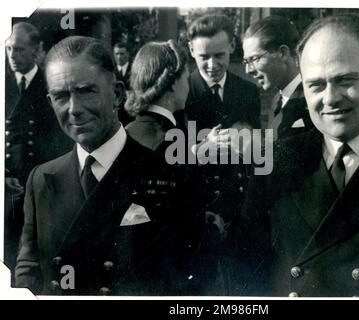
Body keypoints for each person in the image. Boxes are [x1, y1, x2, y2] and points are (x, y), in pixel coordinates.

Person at [239, 14, 359, 297]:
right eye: (316, 85)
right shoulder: (275, 161)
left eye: (345, 80)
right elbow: (245, 269)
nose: (330, 99)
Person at [15, 36, 210, 296]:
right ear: (50, 102)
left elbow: (190, 286)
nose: (74, 109)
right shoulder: (41, 180)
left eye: (86, 91)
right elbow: (28, 273)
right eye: (61, 96)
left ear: (117, 93)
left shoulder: (174, 177)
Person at [183, 14, 263, 295]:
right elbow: (166, 159)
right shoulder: (182, 92)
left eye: (220, 55)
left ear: (232, 46)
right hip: (195, 210)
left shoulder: (249, 92)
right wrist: (201, 149)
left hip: (238, 209)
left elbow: (258, 153)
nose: (212, 65)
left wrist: (249, 144)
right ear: (191, 50)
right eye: (204, 56)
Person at [4, 22, 72, 275]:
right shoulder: (3, 82)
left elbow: (61, 139)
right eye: (8, 49)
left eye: (19, 50)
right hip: (8, 189)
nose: (12, 56)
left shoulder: (50, 83)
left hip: (42, 184)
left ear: (37, 50)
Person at [243, 15, 313, 141]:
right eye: (246, 61)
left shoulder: (311, 99)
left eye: (254, 59)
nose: (248, 70)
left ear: (282, 53)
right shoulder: (278, 100)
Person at [125, 40, 189, 153]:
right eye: (186, 79)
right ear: (173, 83)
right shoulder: (170, 141)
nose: (188, 86)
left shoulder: (128, 130)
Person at [113, 42, 134, 126]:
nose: (119, 57)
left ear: (128, 54)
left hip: (132, 112)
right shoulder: (111, 71)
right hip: (117, 112)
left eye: (122, 54)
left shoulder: (134, 69)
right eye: (117, 54)